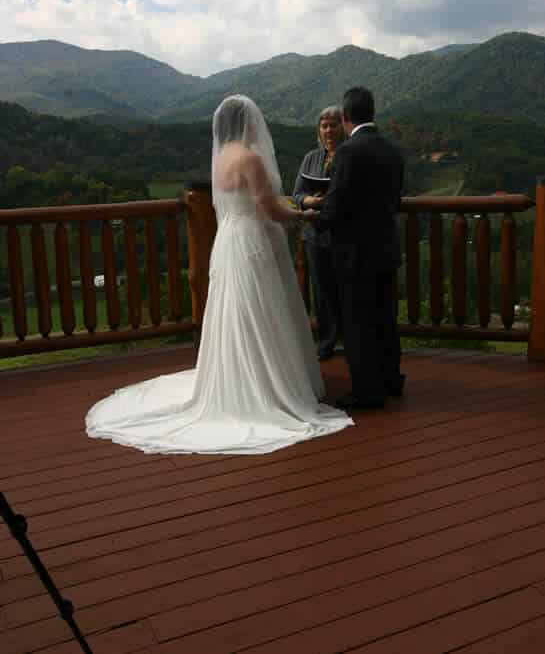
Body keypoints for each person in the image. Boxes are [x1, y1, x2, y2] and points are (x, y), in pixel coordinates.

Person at [86, 95, 353, 454]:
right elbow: (270, 209)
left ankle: (235, 376)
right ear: (248, 124)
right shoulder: (251, 159)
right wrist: (300, 215)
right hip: (254, 239)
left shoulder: (222, 157)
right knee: (261, 311)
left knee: (234, 311)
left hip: (228, 238)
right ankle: (265, 384)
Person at [315, 86, 405, 410]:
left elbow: (336, 207)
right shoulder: (393, 151)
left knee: (357, 324)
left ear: (346, 117)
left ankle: (367, 391)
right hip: (386, 248)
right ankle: (392, 379)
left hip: (354, 254)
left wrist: (315, 218)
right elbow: (394, 202)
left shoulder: (348, 153)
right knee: (385, 319)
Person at [293, 106, 345, 361]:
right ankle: (325, 343)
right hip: (314, 235)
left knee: (346, 288)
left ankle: (349, 341)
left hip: (343, 234)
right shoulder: (310, 158)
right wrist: (310, 201)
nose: (328, 130)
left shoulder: (349, 155)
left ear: (342, 127)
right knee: (321, 292)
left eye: (333, 125)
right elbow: (297, 193)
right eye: (324, 126)